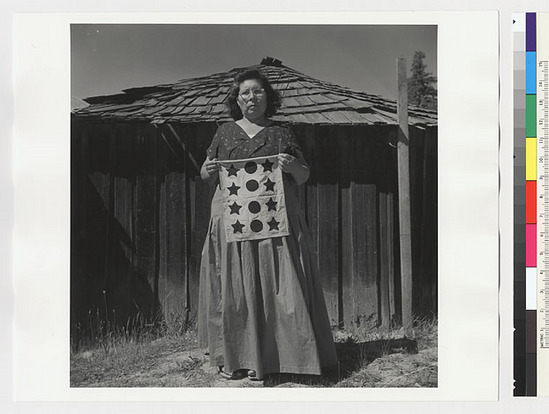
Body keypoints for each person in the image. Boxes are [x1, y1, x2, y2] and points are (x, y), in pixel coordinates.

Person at [197, 68, 338, 381]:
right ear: (237, 99)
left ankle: (283, 357)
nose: (251, 97)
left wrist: (293, 165)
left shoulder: (281, 133)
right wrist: (207, 168)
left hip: (276, 223)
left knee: (279, 288)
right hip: (233, 222)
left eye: (258, 91)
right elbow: (207, 174)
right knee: (236, 288)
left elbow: (303, 175)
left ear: (268, 97)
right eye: (245, 92)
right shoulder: (223, 132)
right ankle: (237, 358)